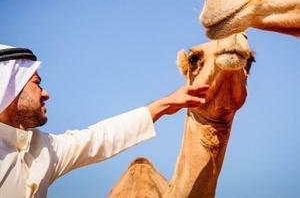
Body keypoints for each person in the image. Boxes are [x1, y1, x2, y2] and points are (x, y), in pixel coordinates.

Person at [0, 44, 209, 198]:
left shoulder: (41, 149)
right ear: (10, 88)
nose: (45, 94)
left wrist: (163, 105)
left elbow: (101, 138)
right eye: (36, 83)